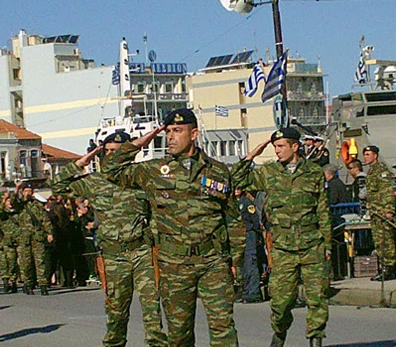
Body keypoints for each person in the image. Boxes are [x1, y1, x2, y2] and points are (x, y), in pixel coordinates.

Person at [101, 108, 243, 347]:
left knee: (223, 330)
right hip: (174, 264)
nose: (170, 137)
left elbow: (233, 220)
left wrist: (234, 261)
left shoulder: (218, 170)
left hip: (213, 261)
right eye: (167, 132)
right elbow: (110, 170)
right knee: (179, 334)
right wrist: (140, 142)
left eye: (177, 131)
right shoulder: (155, 171)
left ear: (194, 133)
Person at [52, 131, 168, 347]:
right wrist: (80, 163)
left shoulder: (140, 177)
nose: (110, 157)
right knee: (116, 314)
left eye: (116, 152)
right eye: (106, 152)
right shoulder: (94, 182)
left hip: (142, 252)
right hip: (114, 256)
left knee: (152, 312)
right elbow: (58, 186)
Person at [232, 127, 330, 347]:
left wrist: (327, 244)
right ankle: (280, 331)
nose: (277, 151)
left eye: (281, 146)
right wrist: (255, 152)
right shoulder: (269, 172)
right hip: (283, 247)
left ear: (295, 146)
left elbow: (322, 210)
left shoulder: (313, 173)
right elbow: (237, 178)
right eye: (275, 146)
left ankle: (316, 339)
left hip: (311, 243)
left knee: (317, 297)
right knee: (281, 301)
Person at [362, 145, 396, 281]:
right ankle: (383, 266)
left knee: (386, 241)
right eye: (365, 154)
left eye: (368, 154)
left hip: (382, 211)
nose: (365, 157)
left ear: (375, 156)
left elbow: (387, 192)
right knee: (379, 241)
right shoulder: (371, 172)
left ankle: (390, 268)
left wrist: (389, 210)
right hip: (375, 211)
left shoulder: (381, 171)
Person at [14, 181, 54, 295]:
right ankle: (28, 283)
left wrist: (49, 232)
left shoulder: (37, 205)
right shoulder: (20, 205)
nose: (28, 193)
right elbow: (13, 201)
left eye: (30, 191)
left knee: (40, 261)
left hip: (37, 237)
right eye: (26, 191)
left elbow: (44, 219)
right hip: (24, 238)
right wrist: (17, 188)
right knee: (26, 263)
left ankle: (42, 284)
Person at [235, 189, 264, 304]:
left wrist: (257, 236)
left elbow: (255, 220)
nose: (236, 190)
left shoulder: (247, 203)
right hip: (239, 235)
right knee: (243, 264)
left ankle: (253, 292)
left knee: (251, 262)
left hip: (249, 234)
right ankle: (246, 291)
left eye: (239, 188)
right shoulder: (234, 203)